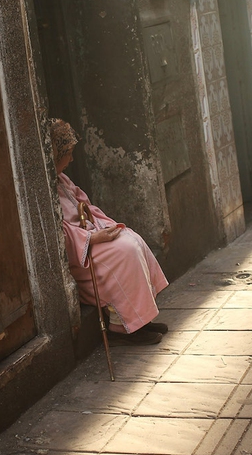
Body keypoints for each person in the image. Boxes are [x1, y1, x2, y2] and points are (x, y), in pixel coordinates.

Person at [49, 118, 169, 346]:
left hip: (90, 237)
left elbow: (83, 206)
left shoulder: (61, 179)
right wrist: (92, 238)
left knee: (132, 238)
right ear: (57, 153)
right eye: (69, 153)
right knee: (125, 252)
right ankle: (124, 327)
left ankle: (139, 318)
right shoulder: (45, 190)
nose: (72, 159)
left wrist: (104, 227)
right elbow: (60, 234)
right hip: (81, 253)